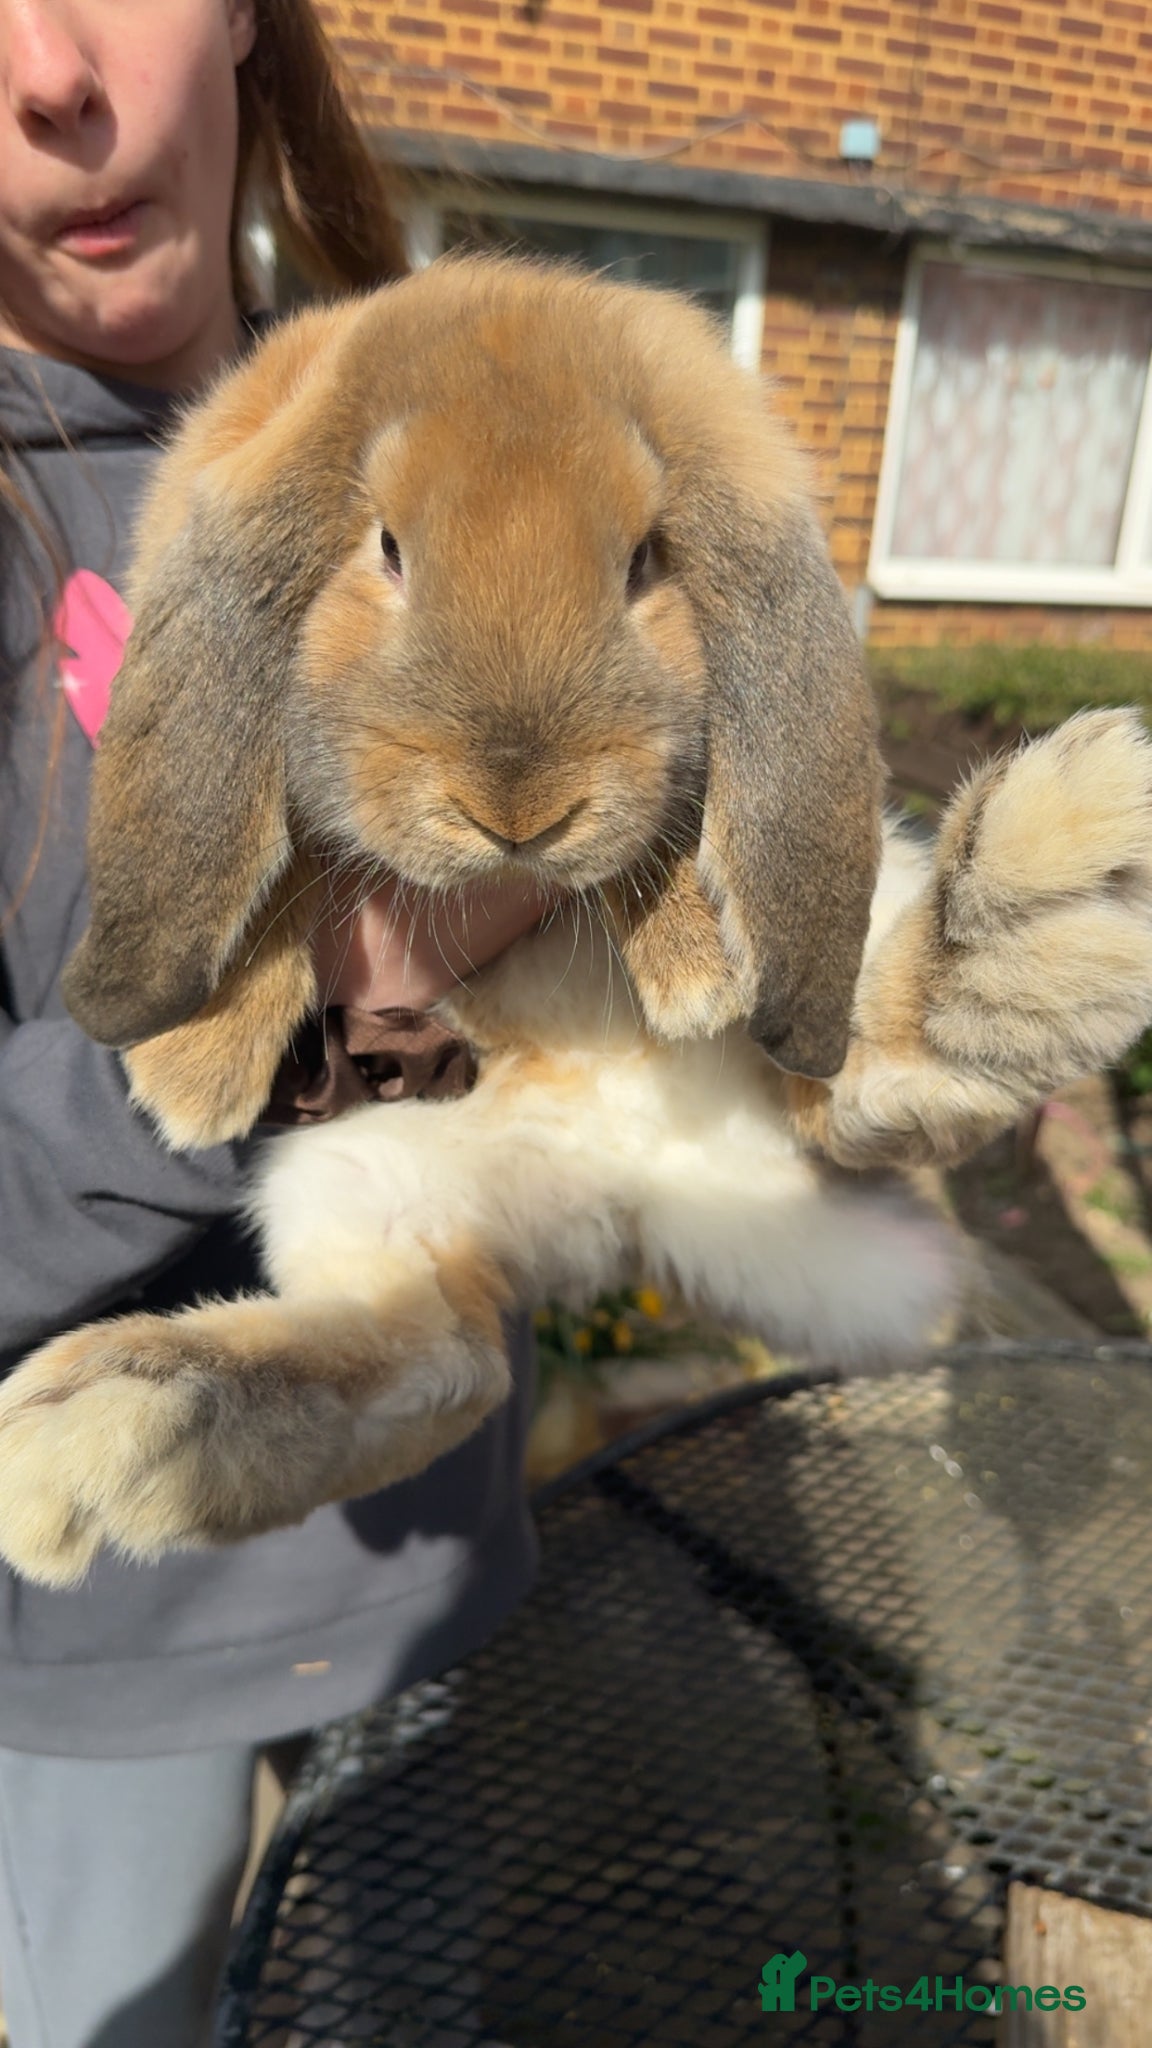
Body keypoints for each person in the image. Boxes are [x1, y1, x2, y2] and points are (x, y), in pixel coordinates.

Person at [0, 5, 547, 2043]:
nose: (52, 75)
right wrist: (330, 985)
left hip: (429, 1568)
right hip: (98, 1649)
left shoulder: (435, 425)